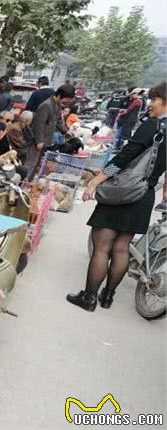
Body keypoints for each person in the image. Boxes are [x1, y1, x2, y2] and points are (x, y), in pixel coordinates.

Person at [66, 81, 167, 312]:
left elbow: (124, 157)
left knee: (102, 247)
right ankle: (107, 297)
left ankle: (89, 297)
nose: (150, 104)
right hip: (144, 194)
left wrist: (97, 179)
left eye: (155, 100)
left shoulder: (153, 127)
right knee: (122, 247)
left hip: (123, 190)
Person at [26, 84, 75, 179]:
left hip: (47, 140)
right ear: (60, 95)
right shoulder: (46, 105)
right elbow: (39, 124)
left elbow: (59, 121)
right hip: (37, 140)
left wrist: (66, 132)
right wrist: (39, 141)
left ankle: (29, 182)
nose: (68, 102)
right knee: (31, 163)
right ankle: (21, 183)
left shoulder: (58, 105)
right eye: (67, 99)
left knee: (37, 164)